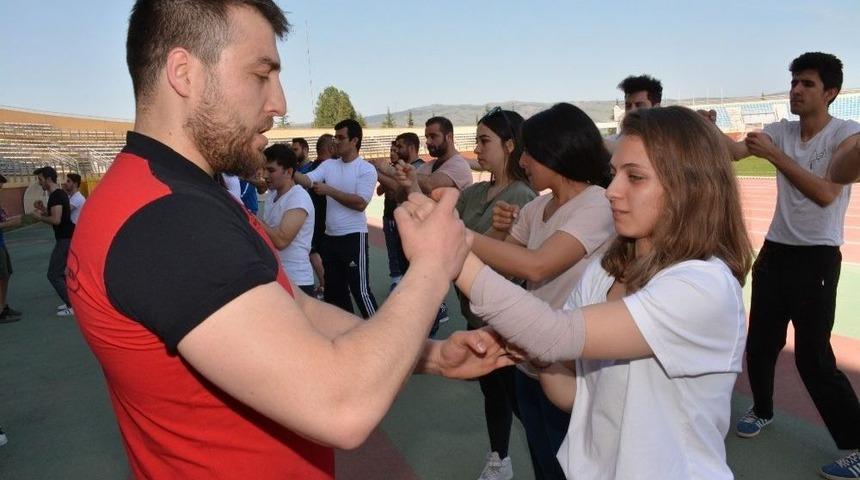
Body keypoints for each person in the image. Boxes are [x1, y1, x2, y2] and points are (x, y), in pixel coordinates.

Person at [67, 2, 513, 478]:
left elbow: (296, 310)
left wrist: (429, 355)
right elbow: (341, 405)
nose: (279, 103)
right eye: (261, 75)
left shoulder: (171, 193)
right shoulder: (167, 220)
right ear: (184, 73)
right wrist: (432, 266)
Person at [412, 105, 751, 479]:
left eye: (635, 177)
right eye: (615, 174)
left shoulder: (703, 285)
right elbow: (573, 393)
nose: (612, 191)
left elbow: (556, 331)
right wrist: (530, 349)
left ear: (691, 188)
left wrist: (452, 244)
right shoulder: (605, 271)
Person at [714, 52, 860, 479]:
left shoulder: (845, 134)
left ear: (830, 93)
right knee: (760, 343)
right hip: (776, 251)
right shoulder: (781, 130)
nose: (796, 89)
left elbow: (827, 193)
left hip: (817, 257)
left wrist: (776, 158)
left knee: (813, 358)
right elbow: (735, 152)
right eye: (794, 82)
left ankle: (857, 443)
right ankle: (762, 409)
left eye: (807, 83)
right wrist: (708, 130)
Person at [468, 103, 615, 480]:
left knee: (571, 468)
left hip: (571, 368)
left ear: (557, 151)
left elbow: (538, 265)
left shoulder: (596, 204)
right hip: (530, 364)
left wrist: (457, 237)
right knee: (544, 465)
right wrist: (498, 230)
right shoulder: (538, 207)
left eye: (530, 152)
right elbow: (500, 263)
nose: (523, 161)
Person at [458, 107, 537, 480]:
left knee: (525, 403)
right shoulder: (474, 192)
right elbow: (453, 242)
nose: (477, 148)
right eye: (476, 141)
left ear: (509, 145)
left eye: (484, 140)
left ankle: (560, 466)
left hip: (507, 322)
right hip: (477, 315)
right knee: (494, 394)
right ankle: (500, 458)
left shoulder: (523, 196)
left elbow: (508, 265)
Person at [294, 119, 380, 318]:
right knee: (334, 292)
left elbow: (360, 203)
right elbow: (308, 180)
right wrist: (288, 166)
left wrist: (329, 191)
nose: (336, 141)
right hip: (330, 238)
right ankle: (346, 328)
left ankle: (380, 329)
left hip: (353, 237)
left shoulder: (366, 169)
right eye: (335, 137)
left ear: (354, 141)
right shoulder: (329, 165)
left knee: (360, 291)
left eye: (341, 137)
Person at [260, 143, 315, 295]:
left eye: (271, 170)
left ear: (289, 172)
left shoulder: (298, 197)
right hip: (277, 277)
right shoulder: (272, 195)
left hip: (296, 281)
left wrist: (254, 221)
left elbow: (281, 240)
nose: (265, 175)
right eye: (264, 169)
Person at [32, 166, 75, 316]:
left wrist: (39, 217)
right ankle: (72, 302)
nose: (39, 183)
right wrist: (44, 210)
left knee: (53, 274)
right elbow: (58, 216)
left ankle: (73, 306)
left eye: (40, 179)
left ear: (48, 179)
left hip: (65, 239)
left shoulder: (56, 195)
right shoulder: (57, 194)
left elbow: (56, 220)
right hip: (66, 238)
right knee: (60, 273)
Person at [308, 134, 336, 297]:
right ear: (330, 149)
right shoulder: (329, 168)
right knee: (316, 252)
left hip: (316, 217)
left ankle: (327, 286)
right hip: (324, 219)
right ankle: (327, 286)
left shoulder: (312, 167)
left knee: (315, 251)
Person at [0, 174, 21, 323]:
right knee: (1, 276)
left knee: (6, 274)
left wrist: (9, 220)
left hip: (1, 243)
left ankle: (3, 305)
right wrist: (10, 223)